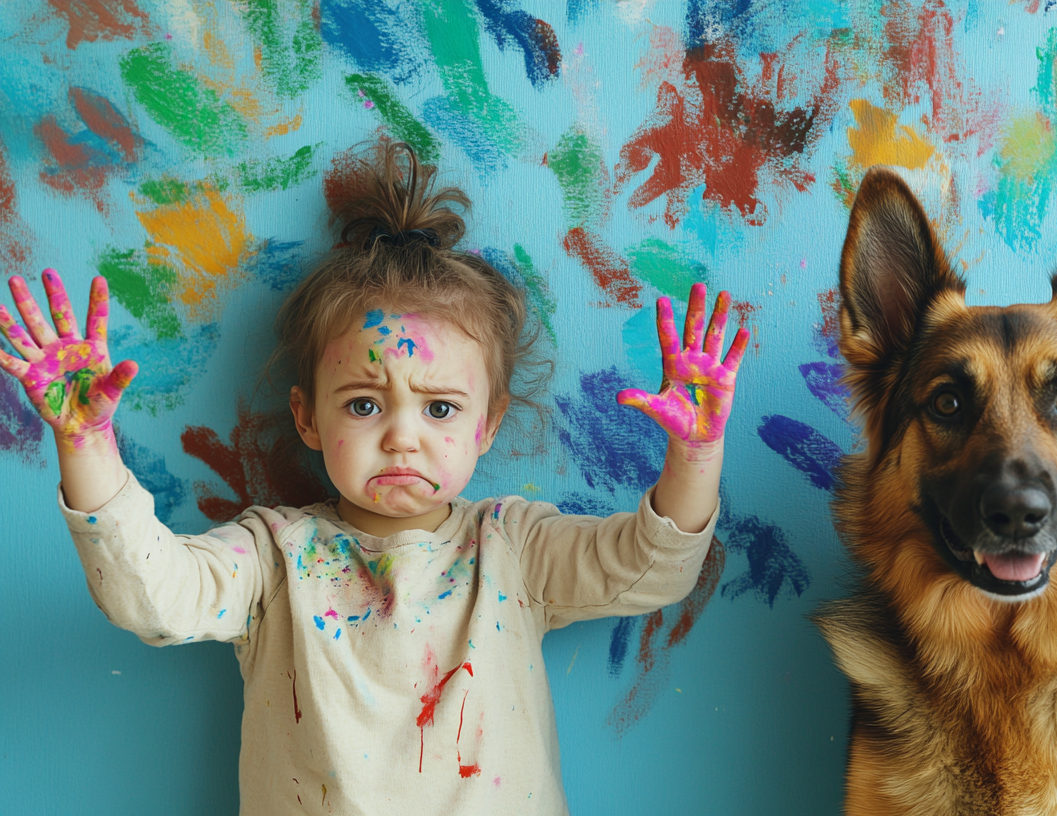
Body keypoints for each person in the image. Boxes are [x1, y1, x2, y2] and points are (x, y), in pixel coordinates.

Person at [0, 141, 748, 815]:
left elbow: (651, 569)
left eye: (441, 408)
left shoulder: (513, 548)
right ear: (308, 418)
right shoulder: (272, 557)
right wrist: (87, 443)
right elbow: (152, 597)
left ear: (487, 425)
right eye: (364, 402)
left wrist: (697, 454)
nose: (401, 435)